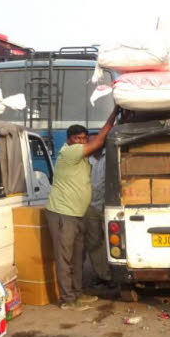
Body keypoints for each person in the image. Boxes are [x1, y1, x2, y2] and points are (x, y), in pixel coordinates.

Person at [46, 109, 118, 310]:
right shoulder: (69, 152)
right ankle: (67, 300)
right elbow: (99, 141)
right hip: (63, 214)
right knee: (65, 258)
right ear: (69, 140)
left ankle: (78, 294)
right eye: (77, 138)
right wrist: (113, 116)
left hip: (78, 214)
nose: (81, 141)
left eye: (84, 138)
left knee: (78, 257)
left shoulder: (83, 159)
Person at [84, 148, 114, 287]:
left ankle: (117, 274)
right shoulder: (85, 160)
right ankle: (104, 275)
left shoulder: (111, 155)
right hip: (90, 206)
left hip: (109, 205)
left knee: (113, 241)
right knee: (94, 242)